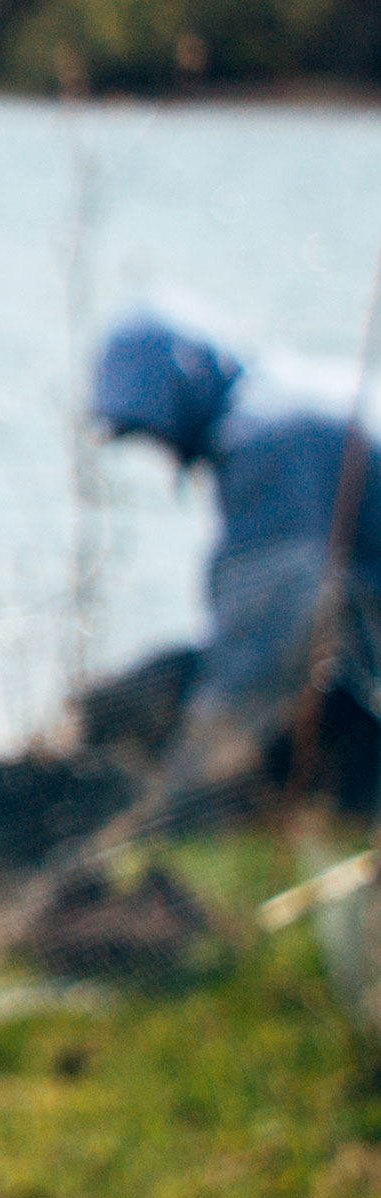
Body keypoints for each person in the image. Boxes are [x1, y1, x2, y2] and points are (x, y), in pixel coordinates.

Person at [90, 297, 381, 820]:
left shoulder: (267, 441)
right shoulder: (289, 400)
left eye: (152, 433)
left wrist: (178, 795)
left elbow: (263, 644)